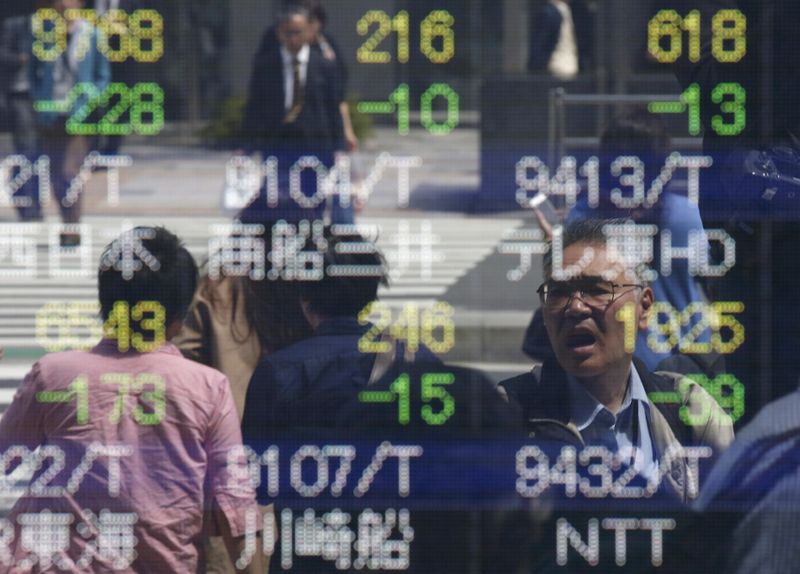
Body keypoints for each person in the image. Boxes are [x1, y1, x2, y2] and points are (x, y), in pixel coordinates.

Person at [0, 226, 264, 572]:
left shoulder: (53, 374)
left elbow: (7, 458)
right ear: (177, 318)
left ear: (105, 305)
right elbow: (235, 501)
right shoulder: (207, 387)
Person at [501, 218, 734, 500]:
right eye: (559, 292)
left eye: (597, 290)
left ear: (644, 308)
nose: (575, 307)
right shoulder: (504, 418)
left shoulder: (691, 410)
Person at [239, 4, 344, 224]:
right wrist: (247, 144)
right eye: (288, 33)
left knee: (312, 202)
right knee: (276, 199)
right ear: (279, 33)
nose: (293, 38)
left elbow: (333, 107)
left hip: (315, 144)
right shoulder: (267, 65)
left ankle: (310, 245)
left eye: (298, 32)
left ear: (309, 32)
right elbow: (255, 106)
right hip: (278, 143)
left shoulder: (324, 65)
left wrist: (338, 147)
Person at [29, 0, 110, 245]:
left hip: (79, 113)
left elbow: (102, 76)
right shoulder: (44, 34)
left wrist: (88, 99)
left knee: (70, 172)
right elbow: (33, 71)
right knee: (55, 173)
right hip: (51, 111)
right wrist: (39, 98)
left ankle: (72, 226)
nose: (65, 5)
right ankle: (67, 221)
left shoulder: (92, 34)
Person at [0, 13, 41, 221]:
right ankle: (26, 201)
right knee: (28, 151)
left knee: (46, 155)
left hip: (51, 100)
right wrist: (22, 58)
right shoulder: (15, 24)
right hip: (20, 95)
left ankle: (35, 202)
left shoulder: (61, 27)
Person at [528, 0, 580, 80]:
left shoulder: (570, 10)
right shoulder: (548, 13)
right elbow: (539, 44)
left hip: (570, 67)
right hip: (555, 68)